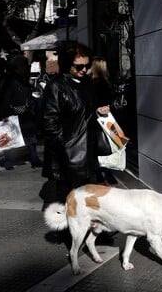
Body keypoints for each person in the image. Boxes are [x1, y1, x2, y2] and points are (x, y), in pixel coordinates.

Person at [41, 42, 110, 205]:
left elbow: (82, 114)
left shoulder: (87, 84)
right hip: (67, 159)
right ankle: (65, 230)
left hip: (87, 155)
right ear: (66, 64)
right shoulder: (56, 86)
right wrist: (66, 149)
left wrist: (98, 111)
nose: (84, 70)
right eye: (78, 67)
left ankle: (86, 230)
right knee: (67, 205)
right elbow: (48, 124)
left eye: (86, 66)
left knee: (87, 204)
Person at [0, 55, 43, 170]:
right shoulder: (9, 80)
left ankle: (34, 158)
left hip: (25, 113)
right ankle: (8, 160)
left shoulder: (22, 79)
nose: (27, 68)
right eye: (25, 66)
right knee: (8, 137)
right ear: (19, 67)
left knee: (30, 137)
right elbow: (5, 98)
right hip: (12, 113)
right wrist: (5, 115)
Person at [88, 56, 118, 185]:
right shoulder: (104, 83)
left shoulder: (92, 84)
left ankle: (102, 179)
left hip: (96, 122)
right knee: (106, 151)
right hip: (106, 121)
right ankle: (104, 178)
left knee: (97, 153)